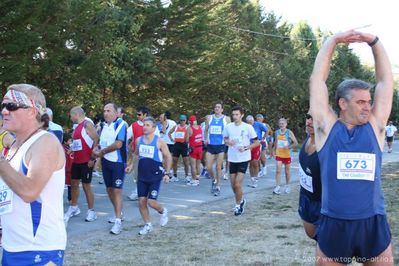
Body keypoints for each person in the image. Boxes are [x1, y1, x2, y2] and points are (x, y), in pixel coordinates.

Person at [310, 30, 394, 265]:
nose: (368, 107)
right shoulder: (326, 128)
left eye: (369, 102)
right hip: (334, 224)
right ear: (342, 103)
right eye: (360, 102)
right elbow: (318, 80)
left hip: (373, 224)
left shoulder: (375, 127)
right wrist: (333, 41)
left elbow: (385, 82)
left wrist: (374, 42)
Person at [0, 84, 66, 265]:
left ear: (32, 110)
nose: (5, 111)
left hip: (39, 249)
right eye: (3, 106)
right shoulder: (14, 146)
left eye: (11, 106)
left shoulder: (45, 142)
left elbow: (29, 192)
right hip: (11, 246)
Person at [127, 117, 171, 235]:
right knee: (141, 201)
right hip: (142, 175)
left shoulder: (159, 141)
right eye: (144, 125)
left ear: (153, 128)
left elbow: (168, 156)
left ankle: (163, 211)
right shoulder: (138, 140)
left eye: (147, 125)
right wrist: (131, 165)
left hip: (155, 174)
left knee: (151, 202)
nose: (144, 127)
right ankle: (148, 225)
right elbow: (135, 154)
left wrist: (167, 173)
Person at [93, 103, 127, 235]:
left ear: (115, 113)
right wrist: (98, 150)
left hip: (118, 162)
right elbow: (102, 143)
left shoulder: (121, 124)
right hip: (106, 162)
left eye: (108, 111)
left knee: (117, 190)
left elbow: (119, 144)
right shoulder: (103, 125)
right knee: (109, 189)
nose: (105, 113)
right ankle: (118, 212)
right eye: (104, 111)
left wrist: (103, 152)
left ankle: (118, 221)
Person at [64, 106, 99, 224]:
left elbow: (96, 139)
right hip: (76, 161)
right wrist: (72, 149)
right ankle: (74, 207)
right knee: (73, 184)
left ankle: (92, 211)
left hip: (86, 161)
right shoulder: (76, 127)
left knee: (86, 186)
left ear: (76, 115)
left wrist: (92, 158)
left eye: (71, 115)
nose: (70, 118)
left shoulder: (87, 124)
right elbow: (78, 143)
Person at [224, 106, 259, 216]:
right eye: (233, 114)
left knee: (238, 184)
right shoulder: (228, 127)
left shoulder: (248, 127)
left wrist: (246, 148)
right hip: (232, 158)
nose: (234, 117)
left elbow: (257, 142)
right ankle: (241, 199)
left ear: (242, 115)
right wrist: (229, 142)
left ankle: (237, 206)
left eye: (237, 114)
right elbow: (225, 139)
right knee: (233, 185)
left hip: (243, 158)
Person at [297, 113, 321, 240]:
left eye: (314, 118)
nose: (309, 122)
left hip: (322, 202)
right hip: (305, 197)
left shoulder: (327, 146)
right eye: (308, 117)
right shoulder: (308, 138)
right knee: (311, 233)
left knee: (326, 246)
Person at [204, 103, 231, 196]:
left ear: (222, 109)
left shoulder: (226, 119)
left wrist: (228, 140)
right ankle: (214, 179)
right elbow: (206, 129)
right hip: (211, 145)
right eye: (215, 107)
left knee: (218, 167)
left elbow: (229, 131)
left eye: (219, 107)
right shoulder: (209, 117)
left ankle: (218, 186)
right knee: (208, 167)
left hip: (221, 145)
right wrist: (205, 138)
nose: (217, 108)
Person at [272, 118, 298, 194]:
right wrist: (273, 151)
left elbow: (295, 143)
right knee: (278, 171)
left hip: (287, 154)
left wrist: (288, 147)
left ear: (286, 124)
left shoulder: (289, 132)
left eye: (283, 123)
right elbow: (276, 142)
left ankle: (287, 186)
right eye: (280, 123)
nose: (281, 124)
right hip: (279, 153)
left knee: (287, 172)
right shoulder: (276, 132)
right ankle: (277, 187)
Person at [246, 115, 267, 188]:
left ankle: (255, 179)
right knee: (250, 163)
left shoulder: (258, 124)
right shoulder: (246, 126)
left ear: (253, 120)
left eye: (251, 122)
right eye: (248, 122)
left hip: (257, 145)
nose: (250, 123)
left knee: (255, 162)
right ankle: (252, 179)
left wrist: (263, 139)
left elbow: (266, 130)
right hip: (249, 146)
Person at [169, 114, 190, 182]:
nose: (182, 122)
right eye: (181, 120)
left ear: (185, 120)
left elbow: (191, 135)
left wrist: (189, 141)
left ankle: (187, 176)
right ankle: (175, 175)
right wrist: (172, 139)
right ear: (179, 121)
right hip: (177, 145)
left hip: (184, 145)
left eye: (183, 120)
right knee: (174, 161)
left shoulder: (187, 127)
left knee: (186, 162)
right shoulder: (176, 126)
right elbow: (169, 133)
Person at [187, 115, 203, 186]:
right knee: (198, 164)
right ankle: (197, 178)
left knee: (193, 165)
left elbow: (186, 140)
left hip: (193, 148)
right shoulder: (200, 127)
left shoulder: (189, 129)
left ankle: (194, 180)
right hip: (200, 148)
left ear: (190, 121)